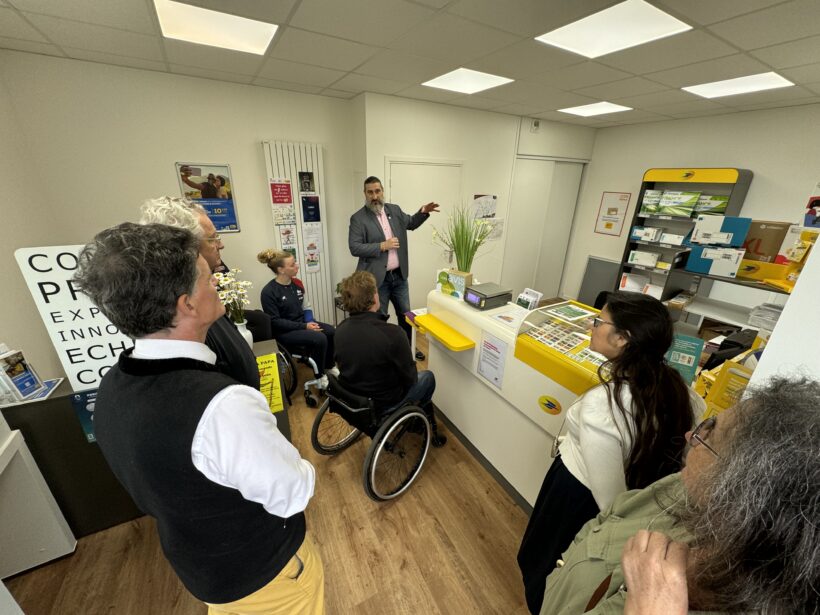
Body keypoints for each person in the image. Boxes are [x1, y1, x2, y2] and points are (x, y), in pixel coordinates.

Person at [73, 223, 323, 615]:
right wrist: (297, 460)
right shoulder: (223, 406)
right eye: (208, 278)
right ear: (187, 304)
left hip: (203, 572)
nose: (218, 283)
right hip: (270, 580)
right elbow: (292, 492)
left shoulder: (111, 388)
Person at [541, 376, 820, 615]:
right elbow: (608, 517)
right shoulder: (682, 486)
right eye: (708, 423)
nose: (690, 436)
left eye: (710, 434)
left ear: (741, 494)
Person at [518, 291, 705, 615]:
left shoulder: (603, 406)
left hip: (578, 498)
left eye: (598, 322)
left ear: (622, 338)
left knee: (547, 568)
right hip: (627, 495)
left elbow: (611, 501)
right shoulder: (681, 392)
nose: (591, 326)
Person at [140, 196, 259, 388]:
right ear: (184, 248)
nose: (220, 244)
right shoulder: (180, 314)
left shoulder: (212, 282)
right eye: (213, 238)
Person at [334, 271, 444, 445]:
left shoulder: (340, 329)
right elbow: (410, 378)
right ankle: (415, 421)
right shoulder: (393, 334)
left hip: (352, 397)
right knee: (427, 377)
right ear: (374, 298)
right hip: (382, 403)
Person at [348, 176, 439, 360]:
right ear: (365, 193)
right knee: (379, 319)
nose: (374, 196)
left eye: (377, 191)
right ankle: (382, 353)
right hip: (377, 280)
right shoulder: (358, 218)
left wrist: (423, 212)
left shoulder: (394, 210)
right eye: (370, 192)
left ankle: (408, 348)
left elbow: (410, 223)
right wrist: (382, 245)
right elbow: (354, 247)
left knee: (406, 315)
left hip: (399, 276)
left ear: (382, 191)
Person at [258, 249, 336, 378]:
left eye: (295, 262)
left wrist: (310, 322)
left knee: (330, 331)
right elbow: (275, 322)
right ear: (281, 270)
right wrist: (305, 326)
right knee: (320, 338)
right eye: (292, 264)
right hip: (284, 332)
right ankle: (320, 376)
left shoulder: (297, 284)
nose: (297, 266)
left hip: (302, 324)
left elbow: (306, 306)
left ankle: (329, 366)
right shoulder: (268, 292)